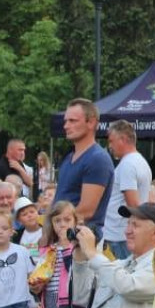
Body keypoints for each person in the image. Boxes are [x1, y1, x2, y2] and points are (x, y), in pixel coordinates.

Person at [54, 98, 114, 233]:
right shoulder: (69, 158)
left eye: (72, 121)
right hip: (63, 236)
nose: (66, 126)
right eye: (65, 121)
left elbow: (87, 210)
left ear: (91, 122)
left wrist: (51, 224)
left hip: (82, 238)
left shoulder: (97, 159)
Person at [102, 120, 153, 259]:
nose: (109, 146)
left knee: (117, 278)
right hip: (124, 234)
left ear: (123, 139)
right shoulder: (141, 162)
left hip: (118, 236)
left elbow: (133, 205)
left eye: (111, 141)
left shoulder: (127, 165)